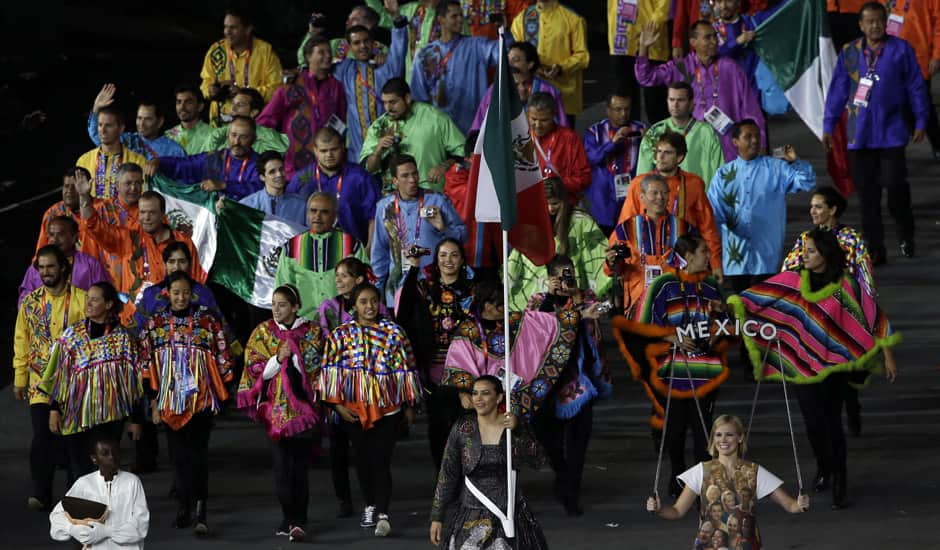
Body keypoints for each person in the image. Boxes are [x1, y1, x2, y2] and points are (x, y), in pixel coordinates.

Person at [729, 228, 900, 510]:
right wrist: (731, 303)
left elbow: (875, 318)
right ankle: (825, 466)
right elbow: (758, 297)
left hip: (836, 367)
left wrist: (888, 355)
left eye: (810, 251)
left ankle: (840, 480)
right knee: (813, 424)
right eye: (804, 250)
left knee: (832, 423)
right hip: (802, 365)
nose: (803, 255)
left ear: (825, 254)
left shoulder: (848, 285)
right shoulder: (793, 279)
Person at [610, 235, 730, 497]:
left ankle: (701, 487)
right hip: (671, 371)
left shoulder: (711, 286)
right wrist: (671, 336)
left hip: (704, 371)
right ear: (688, 257)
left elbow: (725, 324)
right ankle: (677, 474)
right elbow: (642, 326)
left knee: (703, 434)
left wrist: (716, 332)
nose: (708, 256)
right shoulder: (663, 285)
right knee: (674, 433)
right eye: (703, 252)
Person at [823, 2, 929, 262]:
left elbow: (916, 87)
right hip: (859, 136)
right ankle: (876, 247)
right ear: (860, 25)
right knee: (868, 196)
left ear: (885, 22)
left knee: (895, 187)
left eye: (879, 21)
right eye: (869, 21)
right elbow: (837, 91)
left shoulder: (900, 50)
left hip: (892, 133)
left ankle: (906, 231)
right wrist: (828, 125)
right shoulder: (849, 53)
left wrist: (921, 120)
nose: (875, 26)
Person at [319, 283, 423, 537]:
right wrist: (339, 406)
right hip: (353, 412)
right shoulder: (340, 336)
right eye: (363, 301)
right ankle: (369, 505)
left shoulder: (395, 334)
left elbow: (408, 369)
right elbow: (329, 372)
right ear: (354, 305)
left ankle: (384, 514)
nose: (369, 306)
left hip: (388, 411)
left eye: (374, 301)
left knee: (381, 461)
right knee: (362, 462)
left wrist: (410, 407)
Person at [139, 271, 234, 534]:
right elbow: (146, 364)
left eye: (185, 292)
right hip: (170, 401)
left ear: (191, 293)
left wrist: (223, 389)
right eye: (175, 292)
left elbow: (222, 354)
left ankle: (201, 508)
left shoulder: (207, 320)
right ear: (167, 293)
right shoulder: (155, 323)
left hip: (200, 399)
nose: (180, 297)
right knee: (178, 457)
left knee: (198, 455)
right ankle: (183, 506)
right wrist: (154, 402)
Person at [131, 242, 237, 475]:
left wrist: (227, 372)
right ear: (164, 264)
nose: (176, 265)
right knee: (172, 442)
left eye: (182, 261)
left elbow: (219, 330)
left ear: (190, 264)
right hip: (163, 379)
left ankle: (195, 496)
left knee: (196, 444)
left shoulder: (203, 294)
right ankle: (175, 483)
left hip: (199, 382)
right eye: (172, 261)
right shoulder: (151, 294)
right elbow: (139, 332)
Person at [782, 187, 875, 438]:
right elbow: (788, 270)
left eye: (818, 206)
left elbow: (864, 277)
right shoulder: (805, 239)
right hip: (814, 312)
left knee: (845, 366)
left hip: (844, 312)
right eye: (811, 206)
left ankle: (850, 405)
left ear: (832, 209)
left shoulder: (850, 238)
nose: (813, 211)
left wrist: (865, 311)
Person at [237, 284, 325, 542]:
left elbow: (317, 366)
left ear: (296, 306)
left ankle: (299, 519)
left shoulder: (312, 332)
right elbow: (254, 368)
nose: (276, 309)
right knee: (280, 469)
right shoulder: (263, 332)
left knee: (299, 467)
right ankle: (288, 515)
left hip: (303, 413)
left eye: (283, 304)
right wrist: (277, 357)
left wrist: (294, 353)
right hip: (274, 413)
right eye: (274, 304)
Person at [441, 279, 594, 424]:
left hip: (517, 398)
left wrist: (582, 314)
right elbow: (458, 367)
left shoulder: (516, 320)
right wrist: (465, 393)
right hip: (481, 408)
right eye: (500, 305)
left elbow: (551, 322)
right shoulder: (468, 331)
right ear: (487, 306)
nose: (505, 308)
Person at [528, 255, 613, 516]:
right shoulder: (539, 301)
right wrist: (552, 298)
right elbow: (536, 328)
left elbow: (598, 318)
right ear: (551, 277)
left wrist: (580, 304)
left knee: (578, 441)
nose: (567, 280)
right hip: (547, 381)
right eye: (561, 275)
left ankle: (571, 493)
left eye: (570, 274)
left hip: (580, 379)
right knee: (547, 438)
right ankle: (562, 473)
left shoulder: (586, 297)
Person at [646, 415, 810, 548]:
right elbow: (677, 511)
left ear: (740, 438)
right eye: (718, 435)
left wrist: (800, 504)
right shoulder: (701, 471)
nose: (723, 440)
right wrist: (659, 509)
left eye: (729, 434)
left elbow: (790, 505)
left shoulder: (754, 471)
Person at [429, 375, 549, 549]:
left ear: (499, 397)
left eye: (485, 393)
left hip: (509, 515)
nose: (478, 399)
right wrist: (437, 516)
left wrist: (519, 431)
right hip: (470, 516)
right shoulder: (462, 429)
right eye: (475, 393)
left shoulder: (512, 427)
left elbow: (538, 461)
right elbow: (447, 473)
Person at [42, 281, 143, 479]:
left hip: (109, 417)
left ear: (108, 304)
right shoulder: (72, 336)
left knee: (106, 466)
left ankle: (106, 508)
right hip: (75, 417)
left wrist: (137, 419)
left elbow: (134, 383)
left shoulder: (123, 339)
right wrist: (54, 409)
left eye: (95, 300)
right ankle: (77, 509)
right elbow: (59, 376)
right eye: (87, 299)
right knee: (78, 470)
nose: (88, 304)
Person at [14, 246, 88, 511]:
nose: (45, 272)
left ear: (63, 268)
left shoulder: (82, 301)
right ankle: (40, 493)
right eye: (41, 268)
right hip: (40, 383)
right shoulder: (31, 303)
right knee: (42, 437)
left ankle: (74, 496)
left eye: (50, 267)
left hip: (75, 383)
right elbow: (22, 340)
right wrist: (20, 377)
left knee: (73, 442)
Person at [316, 258, 389, 519]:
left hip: (371, 388)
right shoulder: (328, 308)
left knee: (368, 447)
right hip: (339, 384)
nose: (338, 280)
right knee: (337, 444)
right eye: (337, 275)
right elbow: (322, 346)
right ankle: (343, 498)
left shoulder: (376, 306)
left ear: (359, 279)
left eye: (344, 275)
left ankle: (374, 499)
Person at [707, 120, 815, 293]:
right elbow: (714, 216)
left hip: (767, 254)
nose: (755, 141)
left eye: (757, 136)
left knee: (765, 308)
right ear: (735, 142)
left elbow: (807, 182)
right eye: (748, 137)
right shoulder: (723, 175)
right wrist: (714, 256)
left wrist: (796, 162)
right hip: (736, 256)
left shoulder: (776, 168)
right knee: (739, 306)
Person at [636, 21, 766, 162]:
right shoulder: (682, 68)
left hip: (729, 147)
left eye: (715, 36)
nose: (714, 41)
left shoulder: (730, 67)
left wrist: (761, 144)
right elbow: (646, 78)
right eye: (707, 37)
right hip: (694, 146)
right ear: (693, 42)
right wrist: (643, 48)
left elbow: (751, 109)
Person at [396, 238, 475, 469]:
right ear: (436, 260)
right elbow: (404, 312)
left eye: (454, 255)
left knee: (466, 423)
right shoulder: (425, 288)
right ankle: (442, 475)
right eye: (443, 255)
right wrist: (413, 266)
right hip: (434, 367)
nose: (448, 260)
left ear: (462, 260)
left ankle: (466, 476)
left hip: (466, 366)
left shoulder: (473, 290)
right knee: (438, 424)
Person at [77, 183, 204, 321]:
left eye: (152, 212)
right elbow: (95, 226)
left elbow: (195, 281)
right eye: (142, 212)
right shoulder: (128, 239)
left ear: (162, 214)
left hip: (173, 322)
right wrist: (84, 197)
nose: (146, 218)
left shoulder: (183, 242)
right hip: (134, 321)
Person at [620, 130, 723, 282]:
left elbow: (707, 227)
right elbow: (626, 224)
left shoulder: (693, 183)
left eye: (667, 153)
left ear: (680, 157)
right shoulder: (639, 183)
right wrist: (623, 263)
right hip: (647, 262)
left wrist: (715, 263)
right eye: (658, 151)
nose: (660, 157)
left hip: (685, 260)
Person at [371, 154, 466, 307]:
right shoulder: (384, 207)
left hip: (434, 286)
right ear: (395, 181)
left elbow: (462, 236)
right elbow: (379, 250)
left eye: (414, 173)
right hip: (398, 288)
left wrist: (444, 229)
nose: (412, 179)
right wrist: (378, 288)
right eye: (405, 176)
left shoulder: (436, 200)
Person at [507, 178, 611, 311]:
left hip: (572, 294)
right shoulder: (529, 222)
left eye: (555, 203)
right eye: (546, 203)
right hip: (537, 293)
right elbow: (518, 258)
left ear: (564, 200)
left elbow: (598, 251)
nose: (551, 208)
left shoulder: (580, 221)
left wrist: (609, 264)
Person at [607, 174, 696, 316]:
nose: (660, 197)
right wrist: (611, 262)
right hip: (637, 302)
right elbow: (611, 270)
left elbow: (697, 264)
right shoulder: (626, 228)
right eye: (654, 193)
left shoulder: (684, 228)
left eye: (664, 193)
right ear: (641, 197)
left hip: (675, 301)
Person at [257, 37, 346, 179]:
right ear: (308, 56)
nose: (328, 56)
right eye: (321, 52)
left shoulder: (336, 86)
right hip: (296, 164)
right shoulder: (290, 86)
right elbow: (265, 121)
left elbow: (342, 119)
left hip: (329, 162)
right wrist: (280, 147)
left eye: (329, 52)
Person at [411, 1, 505, 134]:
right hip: (439, 132)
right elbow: (419, 97)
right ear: (441, 19)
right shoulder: (425, 54)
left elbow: (506, 54)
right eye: (454, 16)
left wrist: (504, 30)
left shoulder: (477, 46)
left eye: (461, 15)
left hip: (473, 129)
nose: (460, 20)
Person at [275, 192, 369, 320]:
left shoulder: (352, 246)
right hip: (304, 325)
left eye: (324, 212)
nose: (317, 216)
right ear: (307, 214)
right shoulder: (291, 247)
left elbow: (365, 286)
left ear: (335, 216)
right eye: (313, 211)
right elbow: (283, 291)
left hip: (344, 324)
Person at [360, 77, 465, 191]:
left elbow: (463, 152)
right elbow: (368, 169)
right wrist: (377, 151)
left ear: (407, 98)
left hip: (429, 195)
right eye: (384, 103)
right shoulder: (379, 126)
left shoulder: (435, 118)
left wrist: (443, 167)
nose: (388, 108)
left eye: (393, 102)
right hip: (393, 199)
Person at [49, 438, 149, 549]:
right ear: (94, 459)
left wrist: (107, 531)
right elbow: (57, 515)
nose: (112, 457)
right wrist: (72, 529)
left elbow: (141, 524)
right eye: (105, 454)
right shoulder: (85, 483)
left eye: (115, 452)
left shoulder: (132, 482)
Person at [287, 127, 382, 245]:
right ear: (315, 151)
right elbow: (289, 215)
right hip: (311, 249)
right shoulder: (301, 179)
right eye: (323, 151)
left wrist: (369, 249)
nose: (329, 155)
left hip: (354, 250)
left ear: (342, 147)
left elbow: (374, 216)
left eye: (334, 149)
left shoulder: (360, 177)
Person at [333, 16, 407, 163]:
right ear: (350, 47)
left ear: (373, 43)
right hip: (357, 151)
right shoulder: (345, 69)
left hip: (388, 148)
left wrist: (398, 25)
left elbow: (398, 53)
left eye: (366, 41)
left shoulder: (385, 70)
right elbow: (320, 65)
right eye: (356, 43)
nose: (362, 46)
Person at [148, 115, 263, 201]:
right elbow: (183, 164)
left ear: (253, 139)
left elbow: (261, 189)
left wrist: (224, 185)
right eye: (233, 135)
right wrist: (158, 162)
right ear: (227, 135)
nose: (237, 142)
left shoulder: (260, 163)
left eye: (243, 137)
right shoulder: (215, 158)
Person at [200, 8, 283, 126]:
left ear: (248, 29)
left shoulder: (265, 52)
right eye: (225, 27)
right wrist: (211, 90)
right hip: (220, 125)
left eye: (233, 27)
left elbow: (277, 89)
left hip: (255, 125)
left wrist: (243, 93)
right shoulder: (216, 51)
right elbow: (205, 82)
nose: (227, 32)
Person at [511, 0, 590, 124]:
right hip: (530, 94)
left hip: (564, 95)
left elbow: (582, 55)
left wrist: (561, 68)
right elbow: (516, 54)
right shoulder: (522, 19)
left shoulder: (573, 18)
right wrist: (534, 68)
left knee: (563, 140)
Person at [880, 0, 940, 158]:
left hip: (919, 57)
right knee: (896, 104)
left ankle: (937, 145)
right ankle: (896, 150)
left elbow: (938, 23)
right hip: (891, 57)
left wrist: (937, 55)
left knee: (923, 103)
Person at [584, 90, 648, 232]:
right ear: (608, 110)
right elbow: (592, 158)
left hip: (632, 198)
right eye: (618, 109)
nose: (623, 114)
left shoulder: (642, 130)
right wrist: (612, 143)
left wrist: (647, 142)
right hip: (604, 200)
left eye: (627, 109)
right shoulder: (594, 132)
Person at [636, 81, 723, 186]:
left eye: (681, 100)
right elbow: (643, 174)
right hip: (663, 198)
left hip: (698, 198)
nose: (675, 105)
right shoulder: (655, 131)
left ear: (691, 103)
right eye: (671, 100)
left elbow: (719, 172)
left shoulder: (707, 132)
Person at [470, 40, 568, 132]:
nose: (509, 64)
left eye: (515, 60)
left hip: (541, 147)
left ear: (530, 64)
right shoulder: (495, 89)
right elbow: (480, 123)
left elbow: (562, 128)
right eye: (508, 59)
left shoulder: (548, 90)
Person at [20, 216, 109, 306]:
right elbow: (25, 300)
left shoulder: (90, 264)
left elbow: (104, 296)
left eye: (60, 234)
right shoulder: (37, 265)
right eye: (51, 235)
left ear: (74, 237)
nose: (54, 239)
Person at [606, 0, 670, 123]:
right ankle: (629, 140)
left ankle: (662, 139)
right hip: (621, 39)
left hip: (652, 41)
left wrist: (652, 26)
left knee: (655, 102)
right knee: (624, 102)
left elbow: (664, 4)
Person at [86, 84, 186, 159]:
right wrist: (96, 108)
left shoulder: (174, 151)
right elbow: (97, 136)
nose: (141, 124)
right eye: (139, 118)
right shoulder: (128, 140)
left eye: (147, 119)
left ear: (159, 122)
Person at [527, 92, 592, 203]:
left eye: (544, 120)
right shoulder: (521, 137)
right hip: (531, 205)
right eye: (533, 119)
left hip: (562, 207)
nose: (538, 125)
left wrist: (556, 185)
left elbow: (584, 178)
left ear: (554, 115)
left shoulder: (569, 139)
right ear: (527, 114)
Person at [75, 105, 148, 199]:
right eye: (100, 125)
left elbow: (143, 196)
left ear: (121, 129)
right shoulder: (84, 160)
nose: (103, 130)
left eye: (108, 125)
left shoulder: (138, 161)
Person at [366, 0, 444, 84]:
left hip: (443, 87)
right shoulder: (410, 9)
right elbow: (382, 17)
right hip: (412, 85)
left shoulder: (453, 12)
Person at [205, 87, 290, 154]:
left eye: (240, 105)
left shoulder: (264, 138)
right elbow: (211, 147)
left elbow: (281, 150)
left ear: (253, 112)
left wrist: (253, 128)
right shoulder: (226, 136)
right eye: (233, 104)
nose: (233, 108)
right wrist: (231, 128)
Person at [298, 5, 388, 66]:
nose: (347, 22)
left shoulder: (380, 49)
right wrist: (312, 34)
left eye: (354, 19)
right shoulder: (337, 44)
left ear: (369, 25)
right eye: (348, 19)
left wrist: (386, 61)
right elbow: (303, 60)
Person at [236, 151, 308, 227]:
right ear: (262, 177)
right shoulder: (246, 205)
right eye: (272, 172)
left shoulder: (301, 205)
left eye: (281, 169)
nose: (279, 174)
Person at [35, 167, 87, 251]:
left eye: (75, 187)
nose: (69, 191)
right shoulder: (53, 213)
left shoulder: (102, 209)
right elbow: (42, 250)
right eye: (66, 186)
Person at [165, 85, 215, 155]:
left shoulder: (212, 135)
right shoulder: (168, 136)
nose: (182, 107)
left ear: (200, 106)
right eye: (179, 102)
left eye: (188, 102)